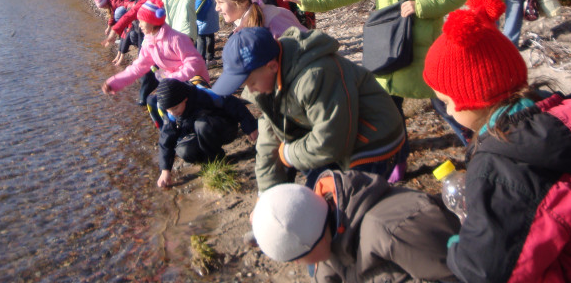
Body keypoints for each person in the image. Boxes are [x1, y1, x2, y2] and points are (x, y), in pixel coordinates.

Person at [423, 0, 571, 283]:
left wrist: (457, 245)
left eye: (447, 101)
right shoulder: (567, 117)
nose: (448, 112)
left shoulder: (504, 164)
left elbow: (486, 271)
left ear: (473, 101)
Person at [290, 0, 468, 183]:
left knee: (445, 103)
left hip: (425, 53)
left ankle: (477, 141)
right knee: (390, 113)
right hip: (389, 50)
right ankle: (398, 159)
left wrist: (421, 5)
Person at [212, 26, 405, 192]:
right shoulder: (267, 80)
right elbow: (267, 140)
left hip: (373, 138)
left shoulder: (315, 75)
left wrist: (288, 154)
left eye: (251, 83)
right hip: (338, 135)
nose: (250, 90)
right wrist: (266, 195)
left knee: (342, 209)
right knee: (310, 197)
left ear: (272, 66)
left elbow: (331, 142)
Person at [251, 169, 460, 282]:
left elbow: (464, 274)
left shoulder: (396, 229)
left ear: (312, 242)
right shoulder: (324, 229)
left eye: (296, 258)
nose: (297, 264)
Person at [155, 78, 258, 189]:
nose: (173, 113)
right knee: (183, 151)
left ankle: (217, 160)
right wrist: (165, 170)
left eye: (175, 108)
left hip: (223, 128)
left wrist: (250, 127)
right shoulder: (171, 114)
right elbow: (166, 140)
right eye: (169, 110)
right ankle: (207, 160)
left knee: (202, 125)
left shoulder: (203, 95)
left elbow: (234, 104)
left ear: (185, 99)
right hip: (200, 136)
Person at [102, 0, 209, 97]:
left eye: (141, 21)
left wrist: (171, 79)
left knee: (157, 103)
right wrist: (114, 83)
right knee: (153, 103)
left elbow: (195, 64)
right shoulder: (149, 42)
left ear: (152, 22)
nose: (139, 25)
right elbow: (138, 67)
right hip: (174, 83)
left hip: (193, 84)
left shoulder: (177, 39)